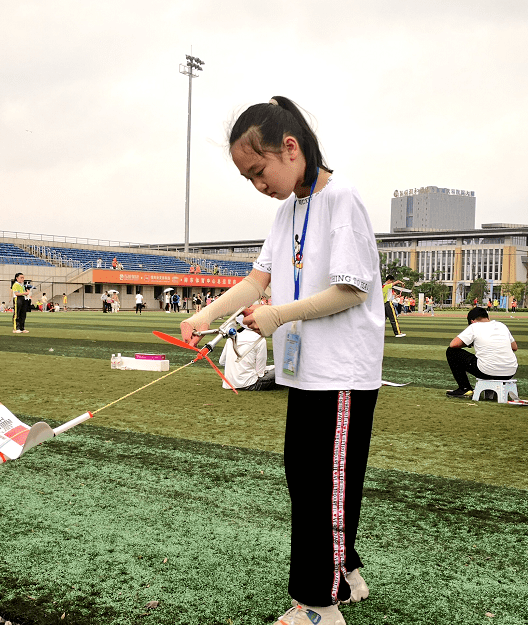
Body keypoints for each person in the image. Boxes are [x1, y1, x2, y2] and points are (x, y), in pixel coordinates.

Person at [180, 96, 383, 625]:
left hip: (343, 373)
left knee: (327, 485)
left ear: (289, 148)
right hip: (308, 372)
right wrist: (206, 316)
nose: (257, 184)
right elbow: (257, 279)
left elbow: (350, 291)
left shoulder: (343, 200)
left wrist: (274, 317)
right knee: (308, 479)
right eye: (247, 177)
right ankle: (347, 574)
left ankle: (318, 606)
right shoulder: (288, 209)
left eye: (258, 170)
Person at [445, 306, 518, 398]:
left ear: (472, 321)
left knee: (451, 352)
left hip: (487, 371)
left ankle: (464, 388)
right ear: (488, 317)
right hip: (510, 372)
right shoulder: (501, 325)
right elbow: (514, 347)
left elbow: (453, 344)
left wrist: (469, 344)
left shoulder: (474, 326)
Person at [218, 318, 279, 391]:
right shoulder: (260, 340)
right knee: (279, 370)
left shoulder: (231, 338)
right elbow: (260, 372)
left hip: (229, 384)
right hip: (250, 384)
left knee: (271, 368)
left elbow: (221, 362)